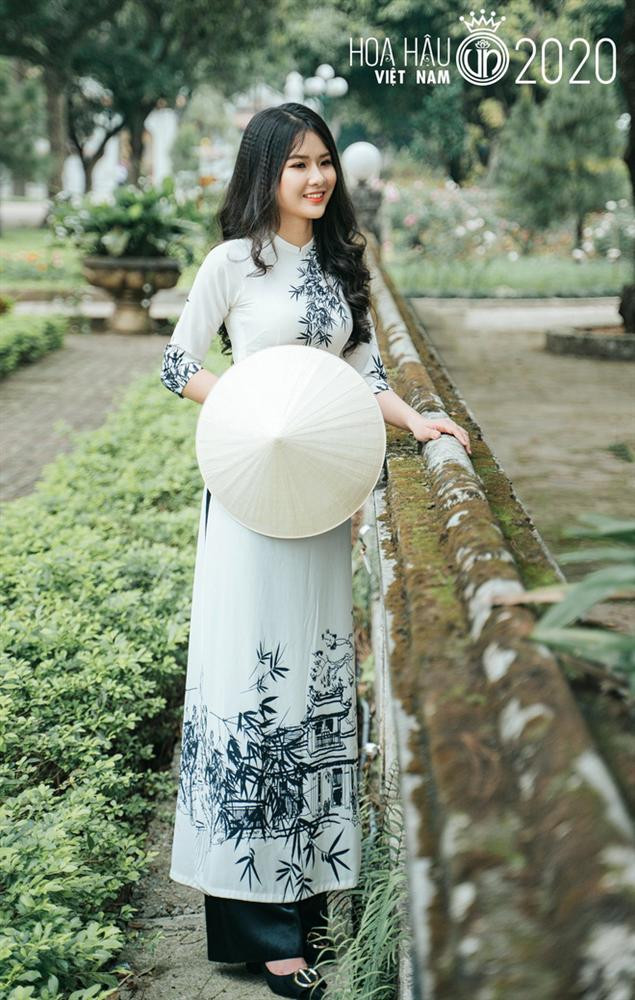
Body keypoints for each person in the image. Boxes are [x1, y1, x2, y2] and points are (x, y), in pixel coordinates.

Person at [159, 102, 470, 999]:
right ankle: (263, 929)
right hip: (252, 493)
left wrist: (417, 421)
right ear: (265, 173)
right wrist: (256, 409)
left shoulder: (341, 264)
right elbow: (178, 364)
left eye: (323, 160)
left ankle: (305, 899)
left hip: (322, 500)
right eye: (297, 163)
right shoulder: (231, 264)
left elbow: (362, 372)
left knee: (311, 682)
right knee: (251, 683)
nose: (316, 177)